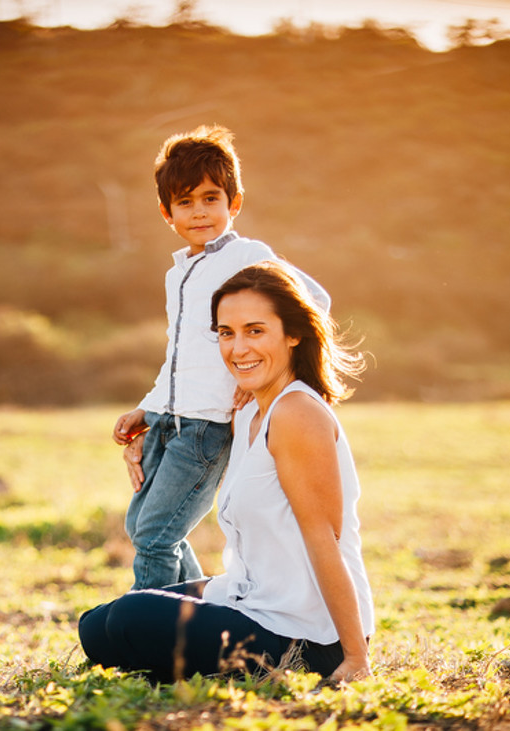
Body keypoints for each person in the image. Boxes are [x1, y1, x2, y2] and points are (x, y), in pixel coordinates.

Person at [82, 260, 373, 683]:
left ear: (294, 334)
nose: (238, 349)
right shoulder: (249, 410)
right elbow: (193, 433)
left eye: (255, 331)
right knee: (95, 625)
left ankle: (183, 668)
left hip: (303, 634)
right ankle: (172, 664)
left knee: (131, 617)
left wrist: (355, 657)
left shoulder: (297, 413)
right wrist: (148, 433)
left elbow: (325, 539)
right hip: (248, 597)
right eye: (226, 333)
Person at [114, 124, 330, 590]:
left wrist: (261, 376)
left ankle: (150, 638)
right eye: (185, 202)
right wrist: (148, 408)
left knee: (155, 536)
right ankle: (203, 607)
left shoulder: (246, 255)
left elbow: (315, 300)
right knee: (146, 530)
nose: (199, 212)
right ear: (166, 212)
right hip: (170, 421)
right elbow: (180, 355)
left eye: (211, 198)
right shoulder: (179, 273)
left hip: (206, 426)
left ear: (235, 203)